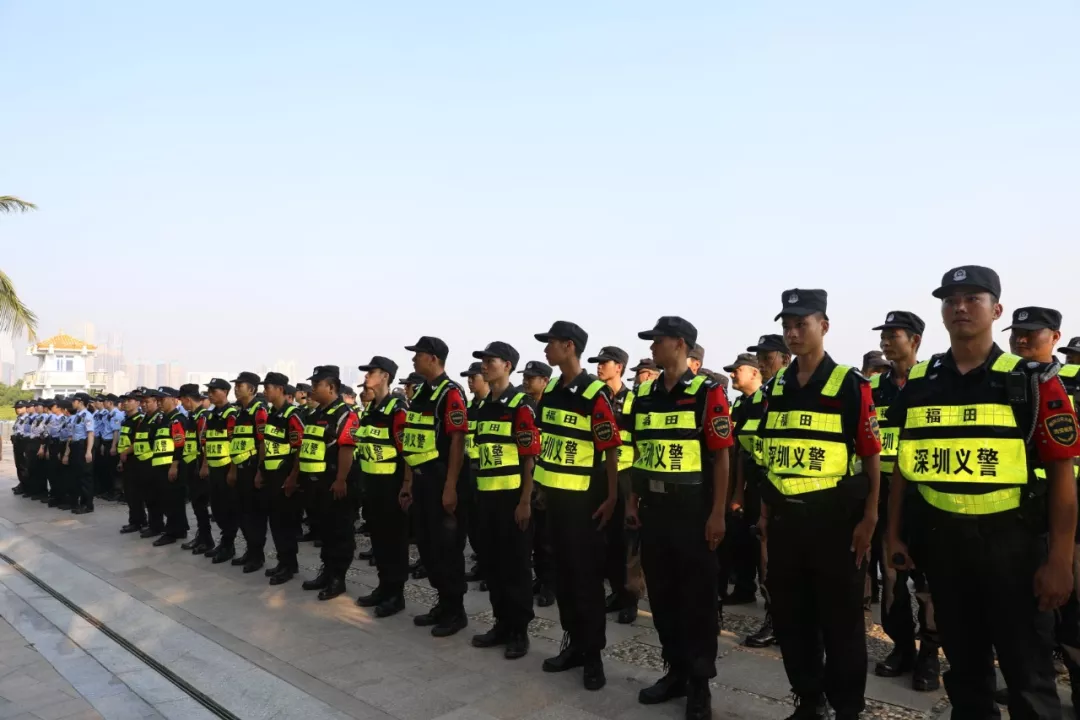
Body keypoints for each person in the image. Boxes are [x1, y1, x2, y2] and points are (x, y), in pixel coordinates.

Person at [887, 267, 1080, 719]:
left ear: (996, 310)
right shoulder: (922, 381)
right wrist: (893, 534)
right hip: (944, 547)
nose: (960, 307)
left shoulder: (1031, 380)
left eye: (973, 298)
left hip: (1014, 549)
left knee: (1029, 677)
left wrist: (1059, 561)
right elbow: (904, 466)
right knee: (966, 674)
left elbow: (1062, 474)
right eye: (950, 300)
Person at [759, 289, 882, 720]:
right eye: (787, 326)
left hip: (836, 525)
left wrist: (870, 518)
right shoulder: (776, 387)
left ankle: (847, 708)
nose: (793, 334)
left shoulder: (850, 384)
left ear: (823, 326)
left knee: (841, 624)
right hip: (787, 524)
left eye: (802, 325)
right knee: (792, 621)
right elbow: (770, 454)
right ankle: (809, 701)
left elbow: (870, 454)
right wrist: (765, 517)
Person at [629, 317, 733, 720]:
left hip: (693, 515)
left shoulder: (707, 393)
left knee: (697, 601)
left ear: (680, 344)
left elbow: (721, 456)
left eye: (658, 340)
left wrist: (718, 513)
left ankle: (699, 683)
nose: (652, 347)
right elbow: (640, 451)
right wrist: (633, 502)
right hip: (654, 513)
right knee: (663, 597)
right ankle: (675, 671)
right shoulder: (645, 395)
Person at [533, 320, 621, 691]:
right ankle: (572, 643)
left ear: (569, 346)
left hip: (584, 502)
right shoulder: (552, 391)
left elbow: (610, 448)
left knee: (585, 579)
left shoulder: (594, 393)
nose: (546, 349)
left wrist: (612, 496)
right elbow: (547, 442)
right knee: (564, 578)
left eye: (551, 343)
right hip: (554, 499)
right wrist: (540, 486)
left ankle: (593, 654)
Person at [868, 311, 940, 691]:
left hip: (923, 497)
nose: (885, 341)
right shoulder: (873, 387)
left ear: (915, 340)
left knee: (927, 581)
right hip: (883, 495)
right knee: (891, 576)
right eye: (883, 335)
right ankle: (901, 646)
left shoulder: (933, 381)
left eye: (893, 335)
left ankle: (929, 652)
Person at [467, 342, 540, 660]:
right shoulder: (484, 407)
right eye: (482, 361)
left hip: (512, 500)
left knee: (516, 566)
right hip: (486, 497)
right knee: (493, 564)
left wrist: (525, 501)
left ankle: (519, 631)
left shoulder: (521, 405)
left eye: (490, 361)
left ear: (507, 365)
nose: (484, 366)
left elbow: (529, 457)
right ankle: (501, 623)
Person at [400, 336, 471, 637]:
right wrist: (408, 482)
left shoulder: (450, 393)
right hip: (422, 480)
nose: (413, 359)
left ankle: (456, 610)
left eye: (417, 354)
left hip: (442, 480)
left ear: (432, 358)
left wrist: (451, 486)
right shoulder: (421, 394)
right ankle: (443, 602)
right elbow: (411, 439)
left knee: (447, 548)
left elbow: (457, 441)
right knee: (428, 547)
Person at [740, 334, 791, 649]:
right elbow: (742, 448)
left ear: (785, 358)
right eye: (759, 356)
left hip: (795, 490)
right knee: (766, 559)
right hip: (762, 488)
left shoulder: (797, 392)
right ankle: (775, 619)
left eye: (767, 356)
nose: (761, 362)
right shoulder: (758, 399)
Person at [588, 345, 644, 624]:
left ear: (619, 367)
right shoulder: (594, 397)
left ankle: (630, 598)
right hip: (599, 473)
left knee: (626, 540)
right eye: (598, 362)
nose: (599, 367)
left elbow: (641, 442)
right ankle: (616, 592)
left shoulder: (633, 400)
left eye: (605, 362)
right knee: (605, 538)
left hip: (625, 475)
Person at [353, 356, 409, 616]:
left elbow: (406, 451)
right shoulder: (371, 410)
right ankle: (383, 586)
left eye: (371, 372)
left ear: (385, 376)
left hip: (391, 487)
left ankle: (395, 594)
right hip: (372, 486)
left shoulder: (397, 409)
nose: (366, 377)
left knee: (394, 541)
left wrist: (406, 484)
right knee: (378, 540)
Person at [299, 365, 360, 600]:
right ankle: (326, 571)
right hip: (318, 483)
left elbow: (347, 448)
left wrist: (341, 479)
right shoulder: (315, 414)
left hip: (337, 482)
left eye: (317, 385)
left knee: (339, 532)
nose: (312, 389)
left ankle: (338, 578)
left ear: (332, 387)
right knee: (324, 530)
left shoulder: (345, 414)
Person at [721, 353, 765, 607]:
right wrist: (737, 491)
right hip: (746, 480)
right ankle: (744, 588)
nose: (732, 374)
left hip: (767, 483)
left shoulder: (768, 400)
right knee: (742, 537)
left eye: (737, 370)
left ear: (754, 373)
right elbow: (738, 449)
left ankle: (771, 599)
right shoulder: (740, 404)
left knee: (763, 542)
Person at [259, 372, 305, 585]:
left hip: (285, 476)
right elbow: (266, 445)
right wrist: (260, 471)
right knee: (276, 522)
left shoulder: (292, 415)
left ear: (280, 389)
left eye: (267, 387)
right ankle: (283, 561)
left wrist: (293, 477)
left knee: (286, 523)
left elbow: (299, 448)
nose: (264, 391)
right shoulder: (272, 414)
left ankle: (289, 565)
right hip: (271, 475)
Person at [519, 359, 557, 608]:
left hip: (549, 479)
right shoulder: (526, 405)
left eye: (531, 378)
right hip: (531, 475)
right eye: (525, 377)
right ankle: (541, 577)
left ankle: (550, 584)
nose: (526, 382)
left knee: (548, 536)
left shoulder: (551, 406)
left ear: (544, 381)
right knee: (535, 535)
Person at [230, 372, 269, 573]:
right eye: (236, 385)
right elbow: (235, 444)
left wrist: (260, 471)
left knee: (255, 516)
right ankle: (250, 551)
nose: (236, 389)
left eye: (240, 385)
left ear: (252, 389)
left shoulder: (259, 410)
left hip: (253, 469)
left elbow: (263, 443)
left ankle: (257, 555)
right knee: (243, 514)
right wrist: (233, 470)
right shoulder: (239, 412)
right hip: (240, 469)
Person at [201, 378, 240, 563]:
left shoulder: (231, 415)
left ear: (225, 392)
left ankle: (228, 545)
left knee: (228, 508)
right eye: (209, 391)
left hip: (226, 468)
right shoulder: (211, 415)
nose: (210, 394)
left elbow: (234, 444)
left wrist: (233, 470)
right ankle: (224, 542)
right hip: (214, 467)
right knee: (216, 508)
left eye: (214, 391)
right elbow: (207, 442)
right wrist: (205, 464)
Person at [461, 361, 490, 585]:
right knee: (473, 523)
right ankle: (482, 563)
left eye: (474, 377)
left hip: (488, 474)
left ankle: (492, 568)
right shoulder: (468, 409)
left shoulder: (493, 407)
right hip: (468, 471)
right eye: (468, 378)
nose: (470, 381)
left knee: (489, 524)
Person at [178, 384, 215, 554]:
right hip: (191, 465)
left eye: (182, 400)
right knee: (196, 505)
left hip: (200, 467)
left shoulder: (203, 417)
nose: (182, 404)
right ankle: (201, 537)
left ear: (187, 399)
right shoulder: (193, 416)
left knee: (200, 504)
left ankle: (207, 540)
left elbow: (205, 442)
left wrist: (205, 465)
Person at [151, 387, 190, 545]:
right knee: (167, 500)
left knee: (172, 500)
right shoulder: (163, 419)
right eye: (158, 400)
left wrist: (174, 466)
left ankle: (172, 532)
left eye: (163, 399)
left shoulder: (177, 419)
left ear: (174, 400)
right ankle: (179, 529)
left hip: (171, 466)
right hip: (161, 465)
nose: (160, 403)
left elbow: (180, 445)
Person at [117, 392, 147, 533]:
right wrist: (121, 459)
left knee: (135, 493)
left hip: (136, 460)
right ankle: (135, 519)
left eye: (129, 400)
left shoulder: (140, 420)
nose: (126, 403)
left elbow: (139, 441)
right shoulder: (126, 420)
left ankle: (139, 521)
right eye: (124, 401)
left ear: (137, 403)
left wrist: (125, 452)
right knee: (129, 492)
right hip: (126, 460)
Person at [66, 393, 96, 514]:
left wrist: (88, 451)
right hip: (75, 447)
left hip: (82, 447)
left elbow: (90, 433)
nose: (73, 403)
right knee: (77, 476)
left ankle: (87, 505)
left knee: (85, 477)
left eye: (75, 401)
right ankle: (78, 502)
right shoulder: (77, 415)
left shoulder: (87, 415)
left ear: (81, 402)